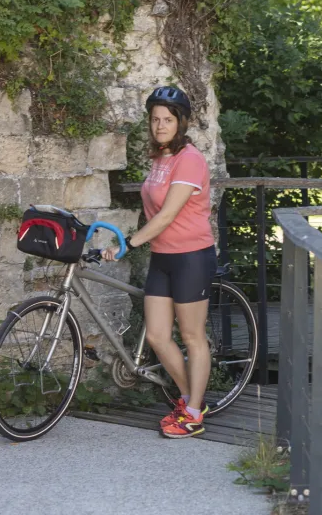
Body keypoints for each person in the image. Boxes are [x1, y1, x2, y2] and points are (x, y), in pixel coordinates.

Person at [102, 85, 217, 436]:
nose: (160, 126)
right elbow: (152, 212)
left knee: (192, 336)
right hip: (163, 256)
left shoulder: (190, 160)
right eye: (155, 120)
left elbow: (167, 215)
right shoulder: (160, 160)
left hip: (191, 256)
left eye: (168, 120)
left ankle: (194, 413)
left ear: (181, 123)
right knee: (156, 335)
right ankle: (188, 397)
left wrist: (127, 243)